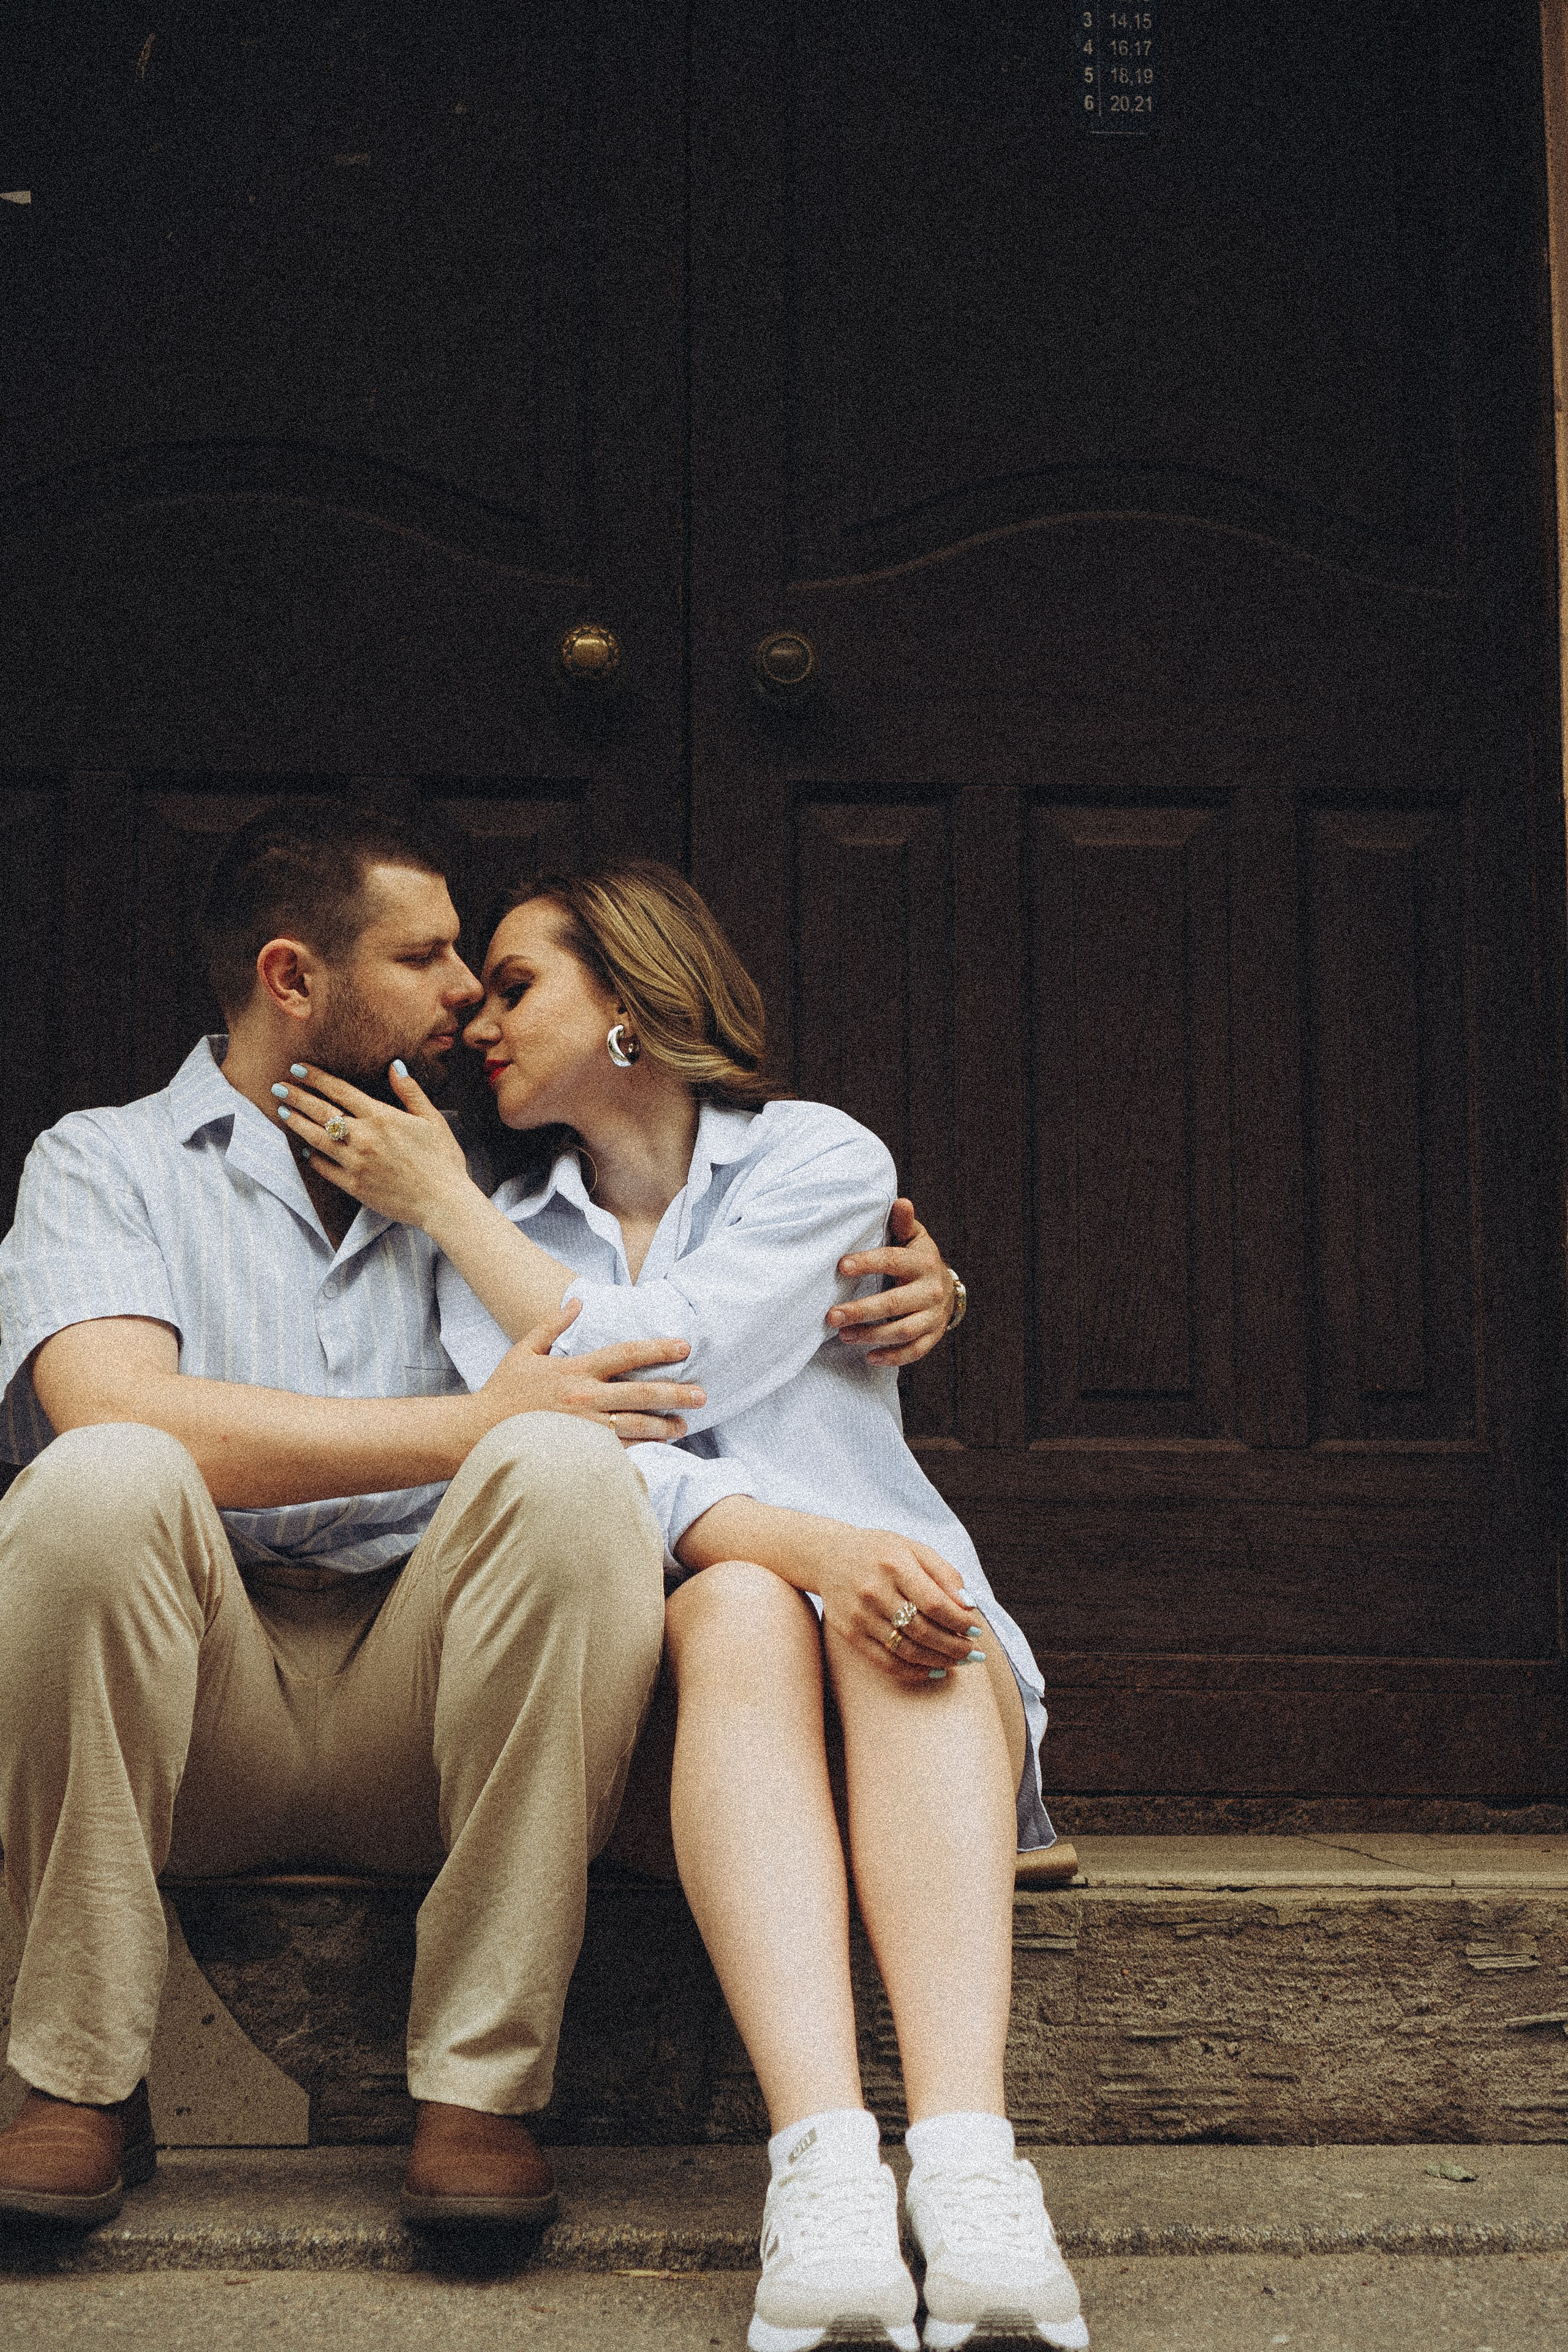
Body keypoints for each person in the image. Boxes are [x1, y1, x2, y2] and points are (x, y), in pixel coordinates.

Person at [0, 805, 954, 2235]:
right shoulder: (105, 1160)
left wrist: (918, 1283)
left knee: (576, 1479)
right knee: (99, 1473)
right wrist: (480, 1420)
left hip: (428, 1709)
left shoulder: (498, 1181)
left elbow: (678, 1298)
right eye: (429, 955)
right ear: (290, 979)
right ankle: (70, 2082)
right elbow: (111, 1402)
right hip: (190, 1713)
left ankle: (480, 2090)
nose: (466, 996)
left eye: (485, 968)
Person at [271, 860, 1088, 2352]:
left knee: (869, 1603)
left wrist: (449, 1203)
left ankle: (968, 2166)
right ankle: (827, 2168)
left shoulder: (815, 1158)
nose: (478, 1024)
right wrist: (796, 1544)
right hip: (693, 1732)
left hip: (905, 1661)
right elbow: (560, 1451)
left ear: (633, 1002)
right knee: (735, 1610)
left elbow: (670, 1357)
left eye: (515, 985)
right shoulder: (499, 1235)